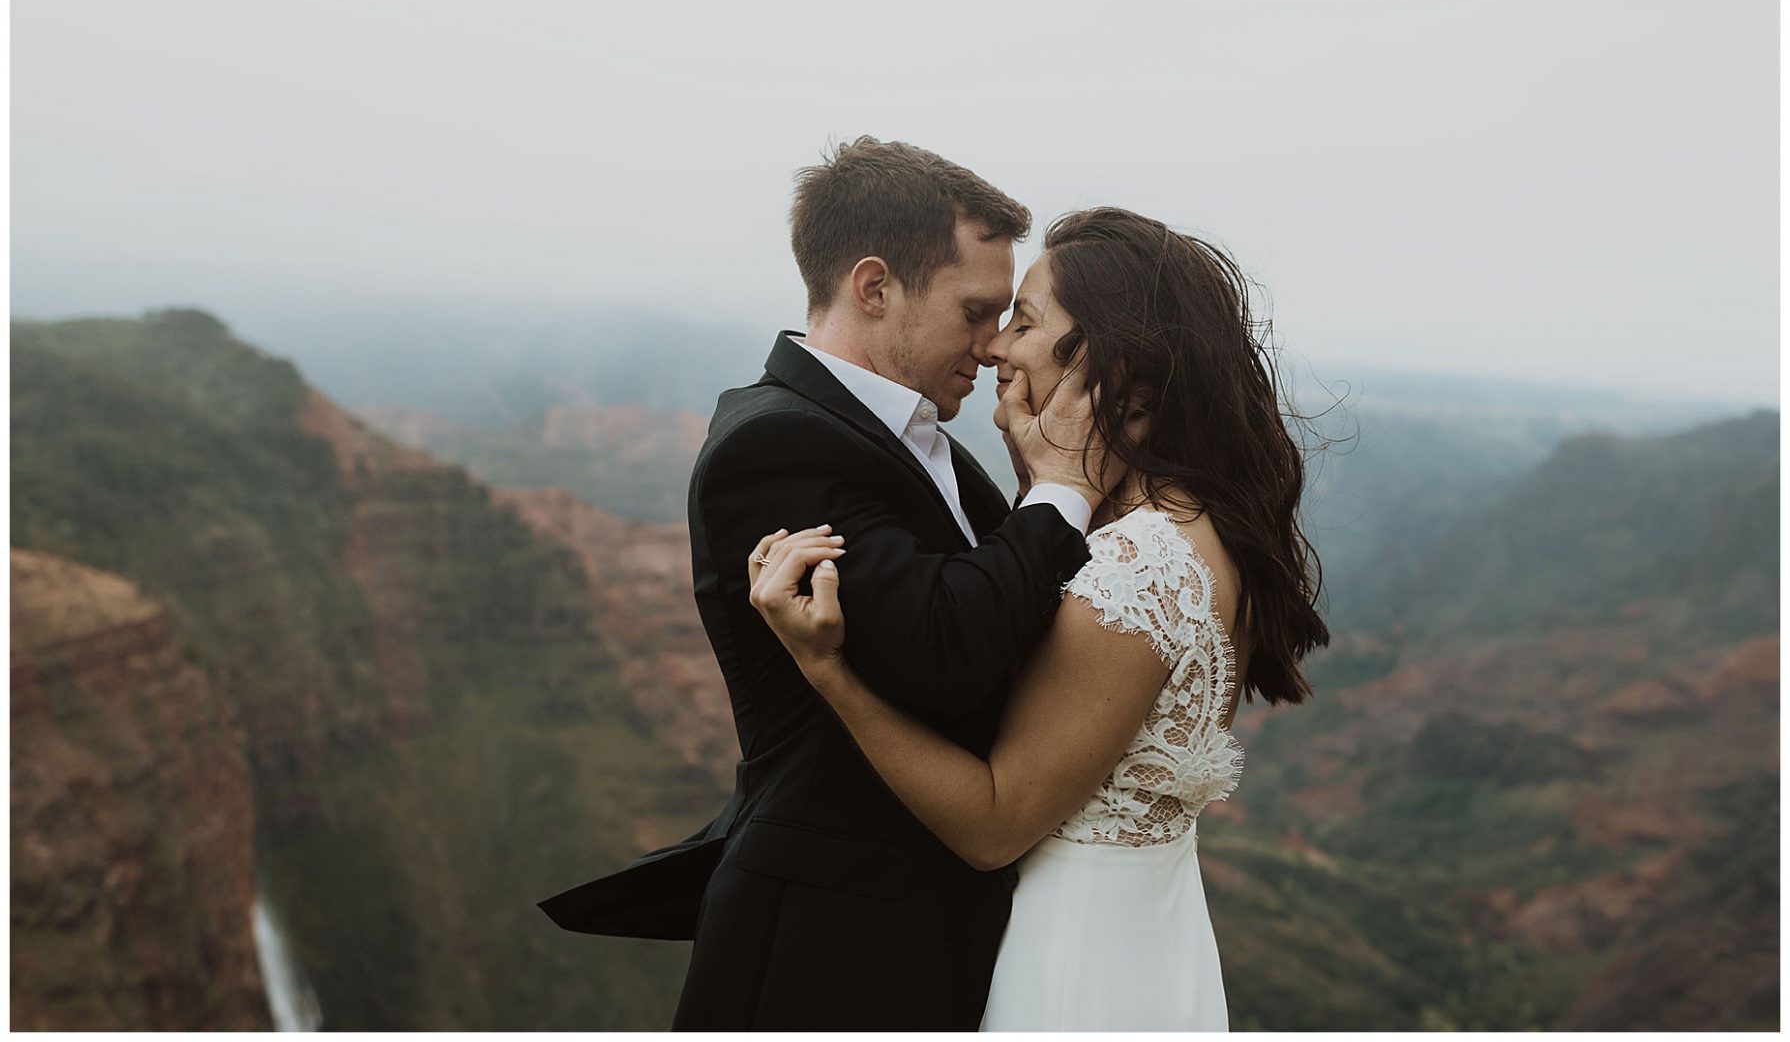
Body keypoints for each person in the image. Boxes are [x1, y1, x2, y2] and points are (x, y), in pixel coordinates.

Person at [536, 138, 1126, 1029]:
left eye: (1008, 318)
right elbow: (946, 652)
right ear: (875, 286)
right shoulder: (772, 446)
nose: (997, 342)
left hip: (933, 926)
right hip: (831, 942)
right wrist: (1064, 488)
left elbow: (1029, 614)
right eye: (976, 310)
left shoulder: (919, 437)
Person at [748, 206, 1331, 1031]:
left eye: (1020, 320)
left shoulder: (1139, 566)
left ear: (1107, 360)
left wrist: (828, 673)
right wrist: (1052, 474)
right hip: (1146, 938)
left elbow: (992, 824)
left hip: (1072, 966)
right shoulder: (1180, 526)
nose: (995, 347)